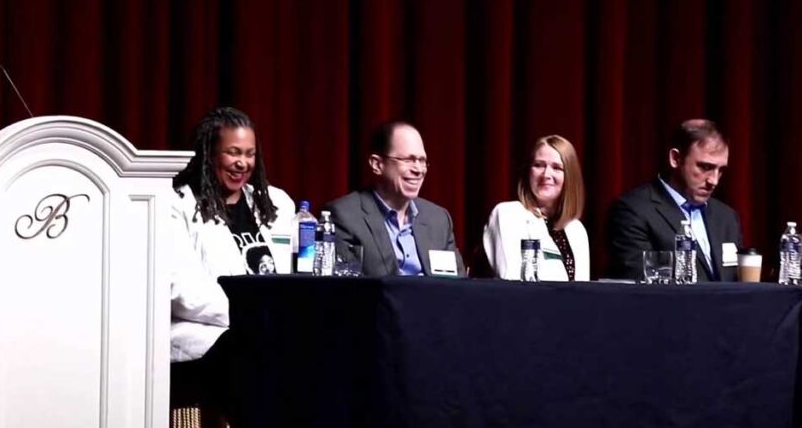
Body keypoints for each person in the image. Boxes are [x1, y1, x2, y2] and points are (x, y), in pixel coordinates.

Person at [168, 107, 295, 403]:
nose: (242, 163)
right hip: (209, 337)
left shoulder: (276, 203)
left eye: (249, 154)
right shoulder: (178, 204)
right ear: (209, 154)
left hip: (273, 331)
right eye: (233, 152)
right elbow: (180, 288)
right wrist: (250, 315)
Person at [606, 119, 742, 281]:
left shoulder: (727, 217)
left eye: (720, 170)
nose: (714, 180)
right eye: (705, 167)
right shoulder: (633, 211)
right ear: (675, 159)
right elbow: (641, 285)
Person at [325, 120, 465, 277]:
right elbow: (346, 290)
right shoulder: (345, 215)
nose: (418, 170)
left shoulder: (438, 219)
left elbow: (457, 286)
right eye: (408, 160)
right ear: (377, 164)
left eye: (422, 160)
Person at [483, 135, 589, 281]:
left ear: (570, 177)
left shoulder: (576, 229)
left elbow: (583, 292)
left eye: (557, 168)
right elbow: (511, 283)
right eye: (539, 165)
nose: (546, 174)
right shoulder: (509, 215)